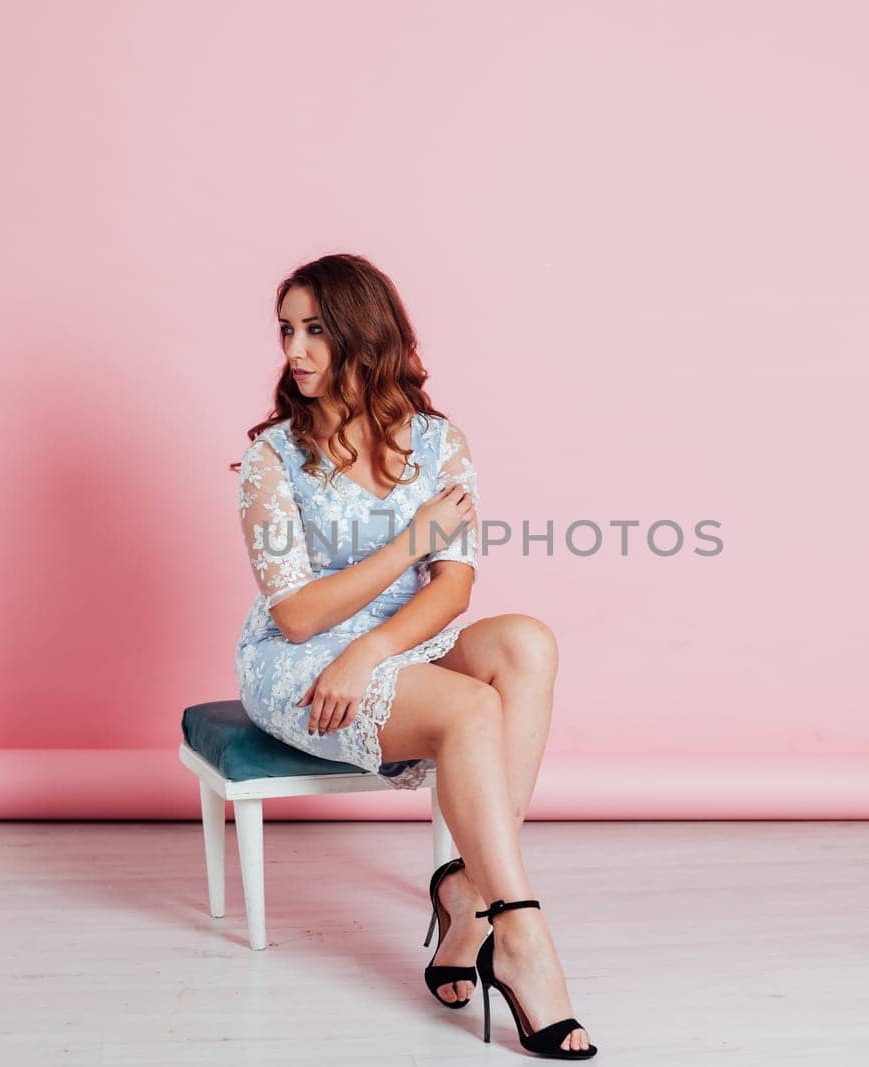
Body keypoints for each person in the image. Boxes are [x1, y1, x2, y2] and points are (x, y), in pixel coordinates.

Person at [230, 253, 597, 1058]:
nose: (295, 350)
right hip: (298, 666)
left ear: (365, 333)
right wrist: (407, 546)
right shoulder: (273, 459)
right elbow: (294, 614)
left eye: (316, 330)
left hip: (391, 641)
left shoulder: (438, 444)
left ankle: (467, 894)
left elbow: (455, 586)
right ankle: (522, 938)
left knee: (527, 642)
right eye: (287, 330)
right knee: (471, 707)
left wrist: (373, 647)